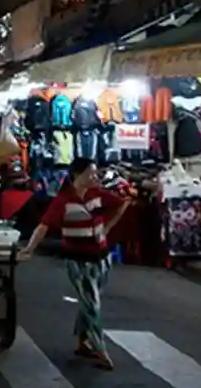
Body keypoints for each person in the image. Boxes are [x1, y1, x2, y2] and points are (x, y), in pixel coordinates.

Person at [19, 158, 129, 370]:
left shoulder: (98, 194)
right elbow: (43, 226)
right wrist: (30, 248)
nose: (95, 177)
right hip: (78, 259)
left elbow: (122, 204)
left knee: (89, 301)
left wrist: (107, 227)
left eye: (96, 174)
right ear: (77, 175)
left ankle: (82, 341)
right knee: (92, 303)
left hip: (101, 257)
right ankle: (100, 349)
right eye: (91, 173)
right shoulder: (63, 200)